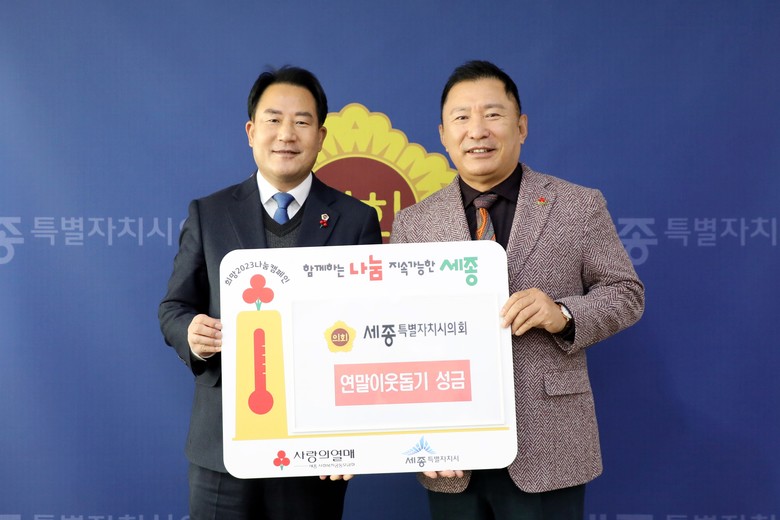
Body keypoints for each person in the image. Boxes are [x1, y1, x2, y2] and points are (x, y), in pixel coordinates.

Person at [390, 60, 645, 519]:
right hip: (452, 450)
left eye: (493, 114)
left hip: (548, 443)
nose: (477, 130)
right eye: (461, 118)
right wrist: (420, 430)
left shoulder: (577, 205)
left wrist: (563, 314)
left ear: (521, 126)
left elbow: (626, 293)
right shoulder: (414, 224)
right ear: (443, 135)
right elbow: (399, 335)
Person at [159, 66, 381, 520]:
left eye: (301, 122)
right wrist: (192, 334)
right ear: (251, 131)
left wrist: (353, 434)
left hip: (316, 443)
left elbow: (371, 329)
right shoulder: (209, 213)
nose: (286, 134)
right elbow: (174, 307)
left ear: (321, 136)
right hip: (223, 443)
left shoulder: (356, 219)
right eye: (273, 119)